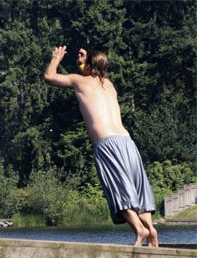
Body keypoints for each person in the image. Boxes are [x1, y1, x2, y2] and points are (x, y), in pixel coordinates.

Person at [44, 46, 158, 247]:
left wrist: (56, 58)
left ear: (89, 66)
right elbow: (90, 79)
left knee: (118, 190)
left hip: (107, 144)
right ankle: (151, 230)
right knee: (138, 190)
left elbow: (49, 77)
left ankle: (139, 230)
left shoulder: (80, 81)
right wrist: (84, 63)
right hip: (127, 142)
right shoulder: (109, 85)